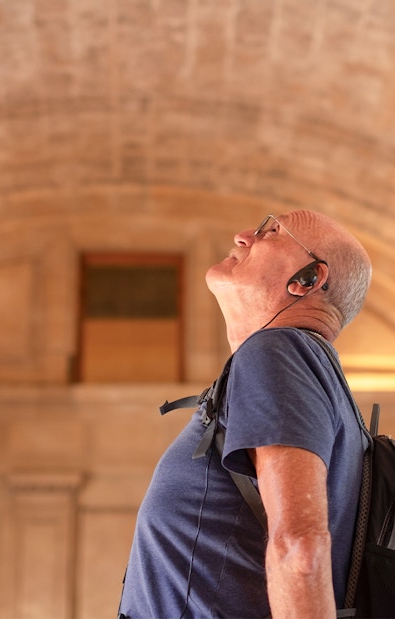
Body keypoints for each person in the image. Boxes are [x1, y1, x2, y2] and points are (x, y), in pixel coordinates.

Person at [118, 209, 372, 619]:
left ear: (307, 279)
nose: (242, 236)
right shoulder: (303, 369)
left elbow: (301, 548)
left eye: (270, 231)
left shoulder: (278, 352)